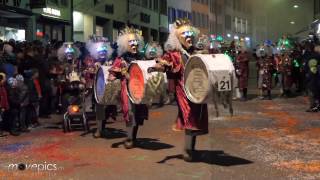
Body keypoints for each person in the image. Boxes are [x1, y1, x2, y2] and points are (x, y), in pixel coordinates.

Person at [149, 18, 209, 161]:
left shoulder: (197, 52)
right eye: (184, 34)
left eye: (190, 34)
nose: (188, 37)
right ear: (177, 37)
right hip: (183, 91)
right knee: (189, 116)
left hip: (198, 90)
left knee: (197, 118)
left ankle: (192, 149)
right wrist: (158, 67)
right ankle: (187, 150)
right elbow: (165, 64)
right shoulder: (174, 54)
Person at [109, 26, 148, 149]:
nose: (134, 44)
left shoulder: (141, 58)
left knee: (139, 113)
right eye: (131, 42)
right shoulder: (121, 59)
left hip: (139, 89)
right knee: (130, 112)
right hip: (126, 89)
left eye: (136, 42)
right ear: (126, 44)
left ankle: (133, 137)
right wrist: (120, 73)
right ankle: (130, 138)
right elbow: (111, 75)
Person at [85, 35, 117, 138]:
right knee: (99, 109)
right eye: (100, 51)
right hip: (97, 89)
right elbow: (88, 72)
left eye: (104, 51)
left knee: (109, 108)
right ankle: (99, 129)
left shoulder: (111, 60)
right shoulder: (92, 61)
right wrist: (92, 70)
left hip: (109, 88)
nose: (102, 53)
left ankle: (103, 127)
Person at [0, 72, 9, 137]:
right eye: (4, 78)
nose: (5, 80)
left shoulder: (2, 87)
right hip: (1, 107)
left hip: (2, 107)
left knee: (1, 119)